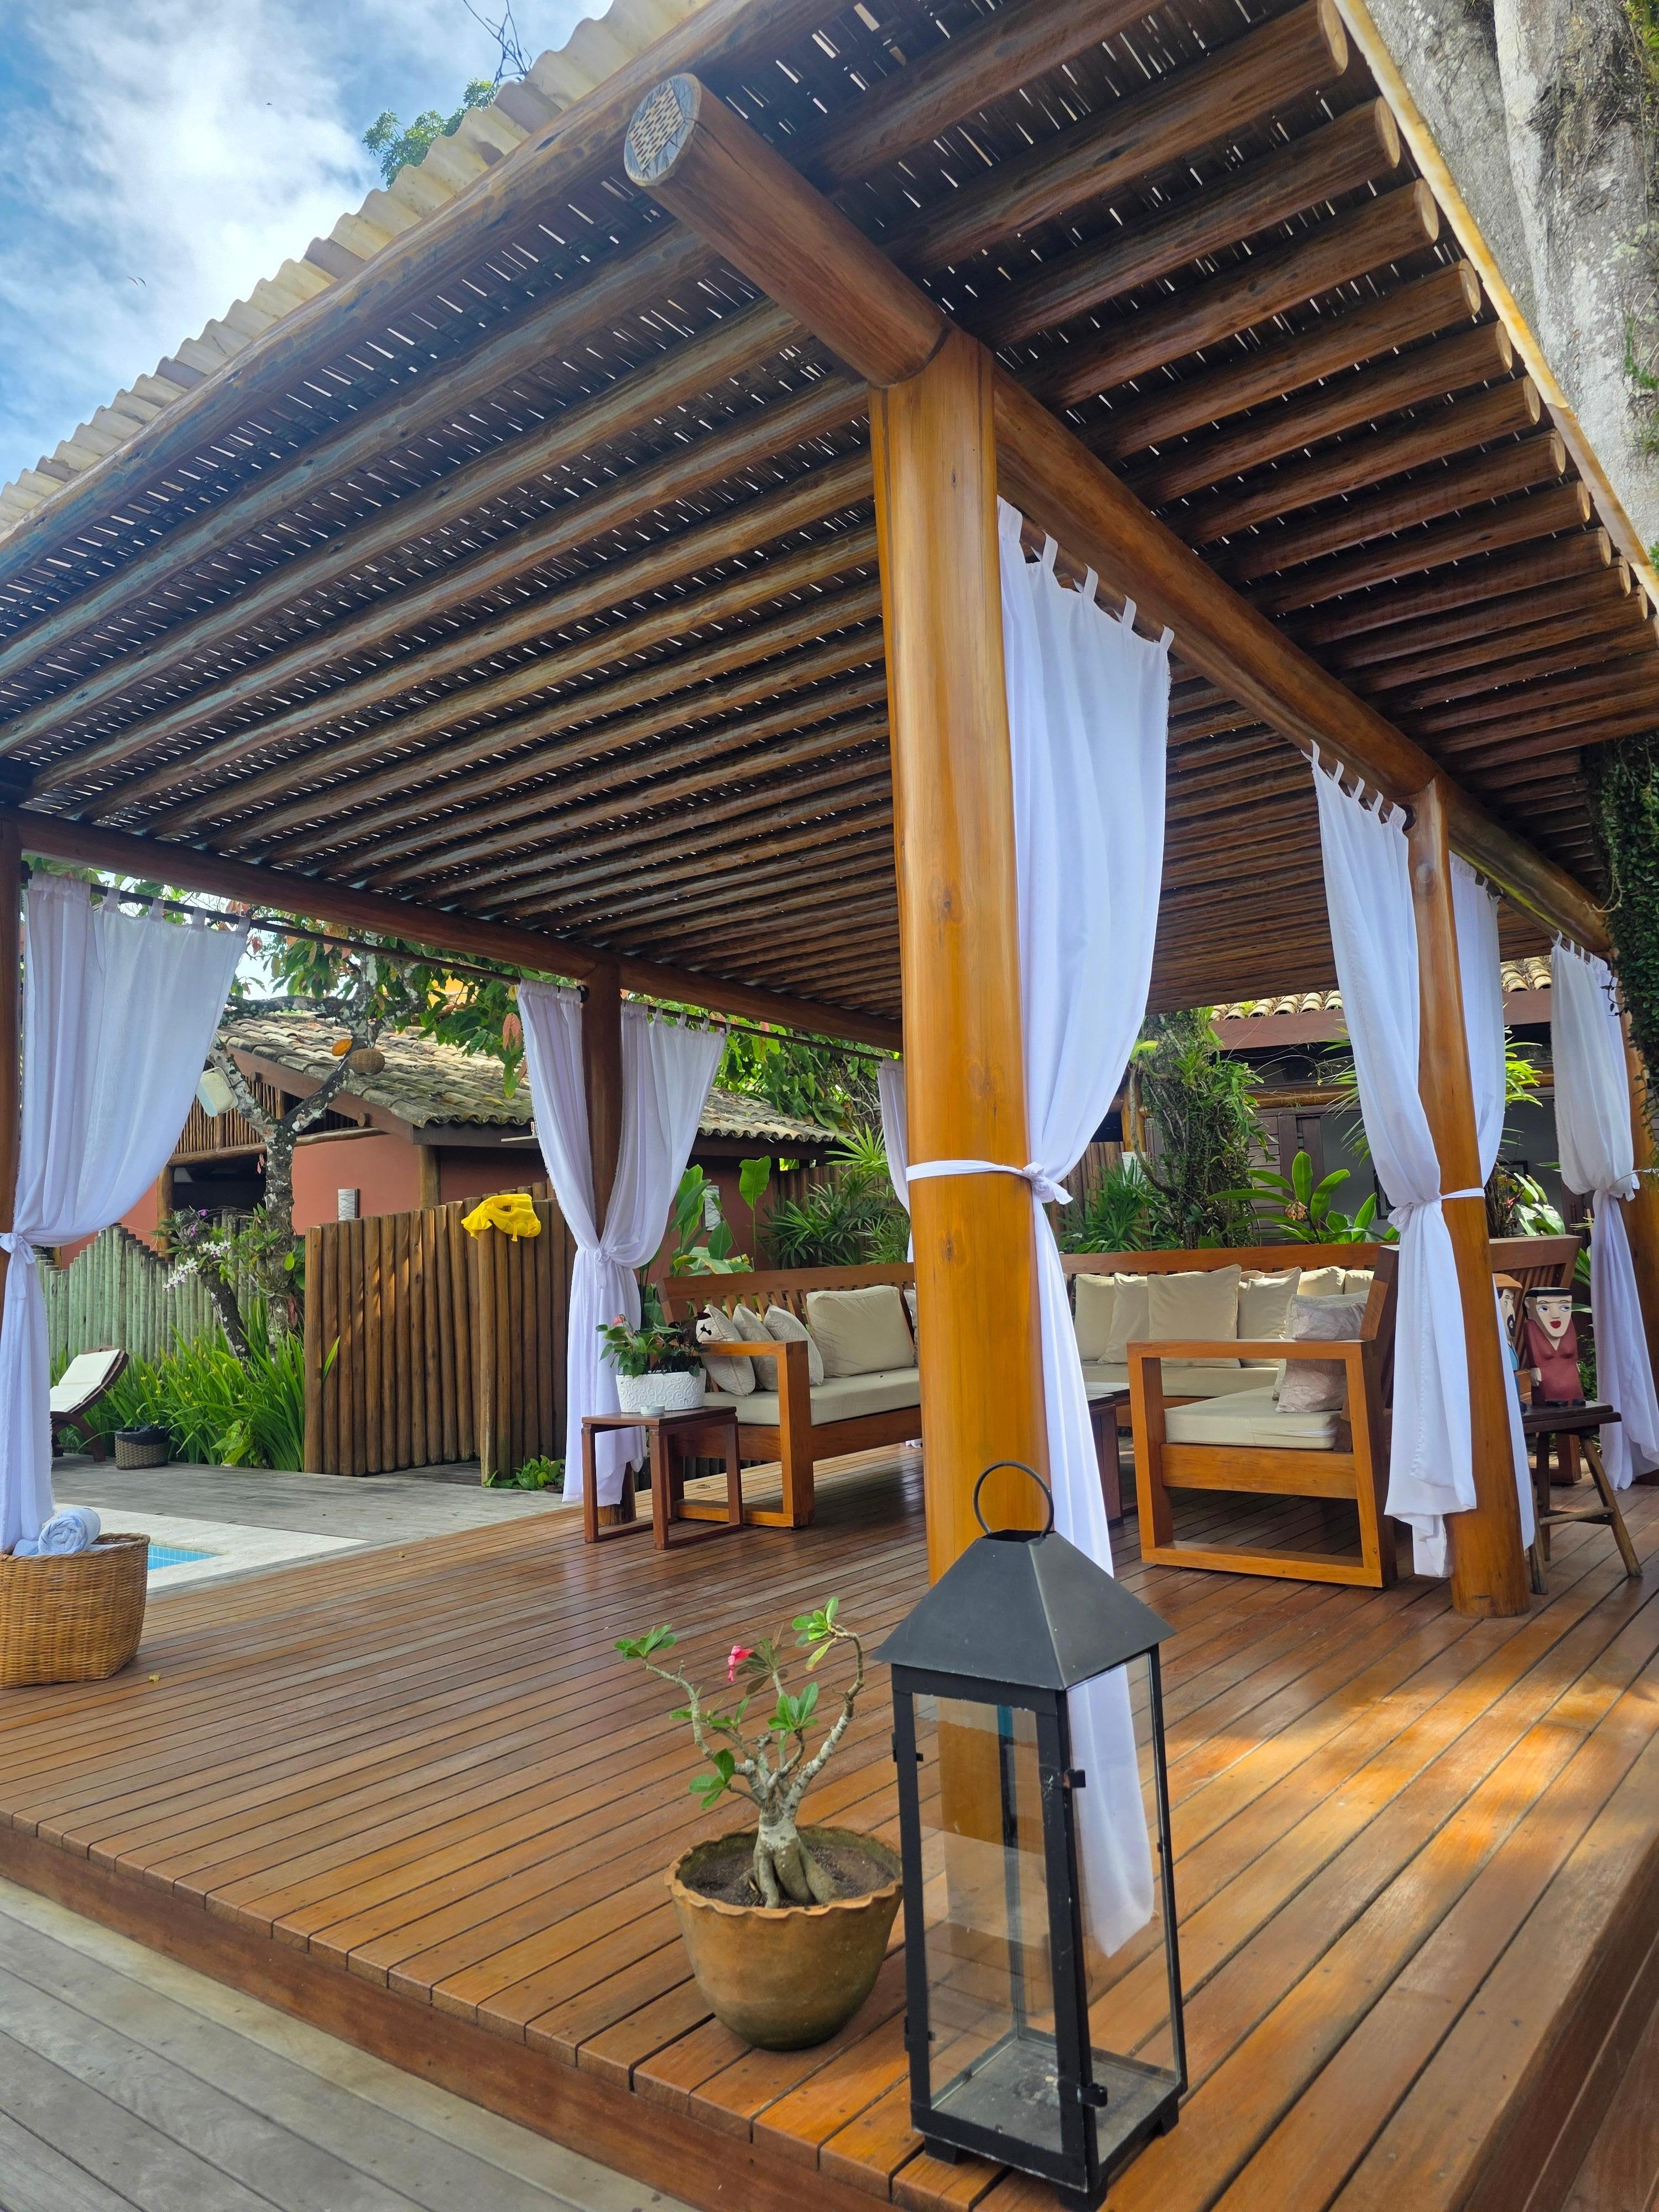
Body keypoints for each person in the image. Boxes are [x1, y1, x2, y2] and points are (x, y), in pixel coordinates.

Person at [1519, 1287, 1584, 1406]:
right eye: (1544, 1308)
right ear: (1529, 1306)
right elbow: (1534, 1353)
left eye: (1565, 1308)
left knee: (1574, 1390)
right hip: (1547, 1377)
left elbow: (1573, 1349)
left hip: (1569, 1371)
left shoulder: (1569, 1324)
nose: (1555, 1315)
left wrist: (1575, 1362)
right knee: (1550, 1390)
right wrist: (1535, 1368)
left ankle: (1575, 1397)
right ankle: (1552, 1400)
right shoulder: (1531, 1327)